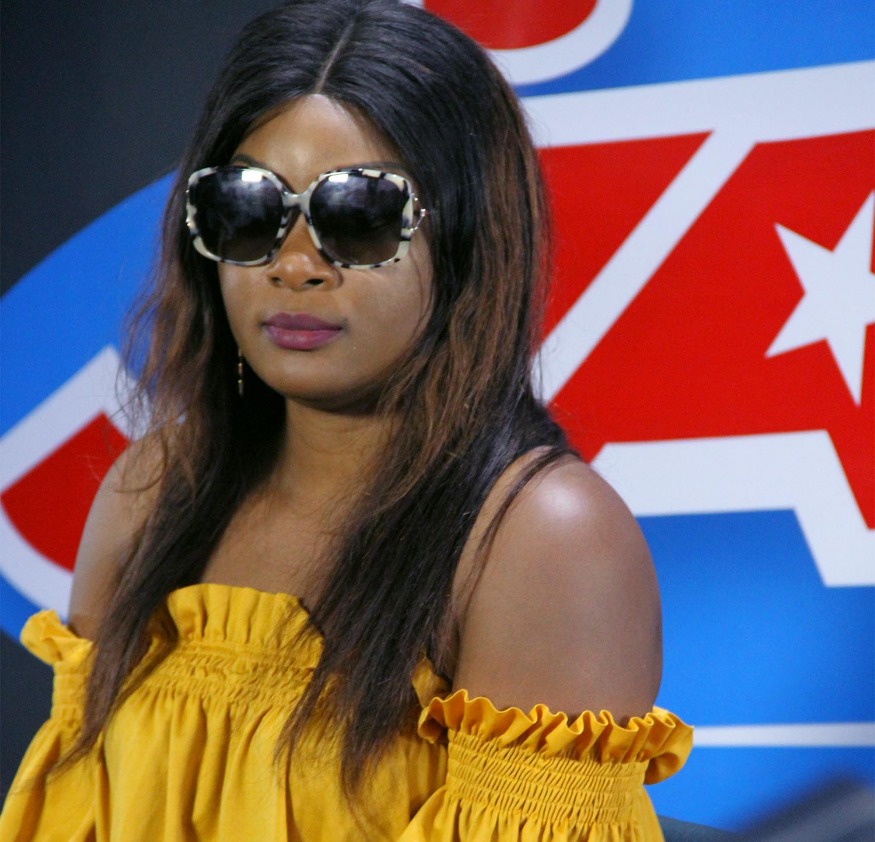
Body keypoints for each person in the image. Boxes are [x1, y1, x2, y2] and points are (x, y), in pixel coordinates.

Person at [0, 1, 692, 839]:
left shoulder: (541, 539)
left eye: (359, 215)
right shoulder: (153, 488)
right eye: (248, 207)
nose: (294, 265)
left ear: (470, 237)